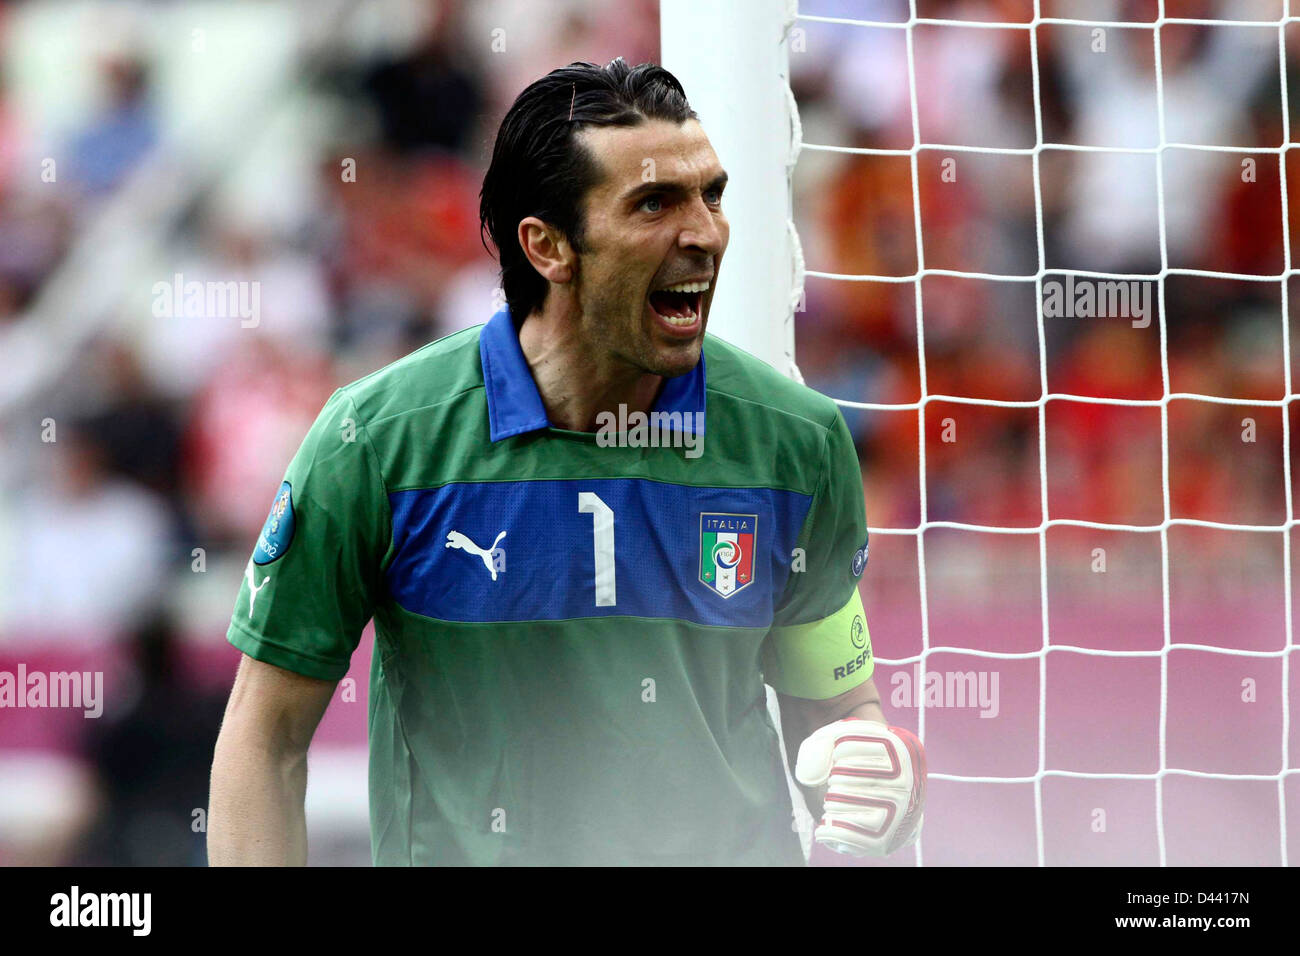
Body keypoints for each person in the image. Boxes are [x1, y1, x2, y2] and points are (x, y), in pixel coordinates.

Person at [208, 58, 925, 866]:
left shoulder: (795, 442)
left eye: (711, 195)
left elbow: (836, 715)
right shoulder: (376, 444)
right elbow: (264, 740)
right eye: (655, 203)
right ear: (548, 247)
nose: (705, 233)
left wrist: (876, 775)